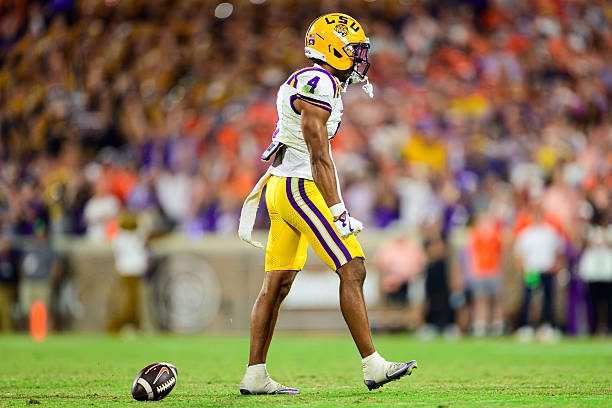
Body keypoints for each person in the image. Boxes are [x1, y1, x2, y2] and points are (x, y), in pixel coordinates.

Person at [237, 13, 416, 395]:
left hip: (282, 186)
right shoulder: (318, 83)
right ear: (333, 49)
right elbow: (319, 155)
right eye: (353, 51)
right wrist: (338, 210)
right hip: (299, 188)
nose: (359, 59)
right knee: (352, 266)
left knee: (277, 284)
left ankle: (255, 374)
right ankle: (373, 365)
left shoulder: (318, 81)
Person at [514, 207, 564, 341]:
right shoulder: (526, 233)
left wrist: (556, 266)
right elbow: (519, 254)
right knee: (528, 299)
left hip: (546, 270)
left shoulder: (550, 232)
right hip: (532, 271)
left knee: (548, 300)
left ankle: (548, 326)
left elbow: (559, 251)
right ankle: (525, 327)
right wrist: (523, 270)